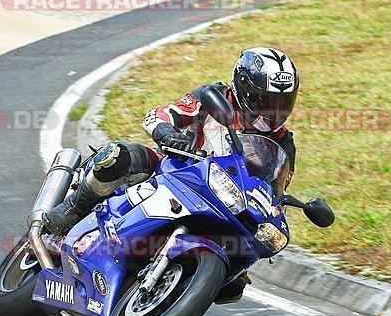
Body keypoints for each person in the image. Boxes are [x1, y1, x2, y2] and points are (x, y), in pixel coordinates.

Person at [44, 47, 300, 302]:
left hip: (223, 203)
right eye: (264, 100)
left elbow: (275, 190)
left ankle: (186, 278)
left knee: (235, 278)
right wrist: (168, 134)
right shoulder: (213, 97)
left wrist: (276, 211)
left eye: (282, 102)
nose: (273, 110)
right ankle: (74, 210)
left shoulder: (283, 143)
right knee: (118, 157)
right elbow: (159, 115)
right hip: (177, 171)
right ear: (243, 88)